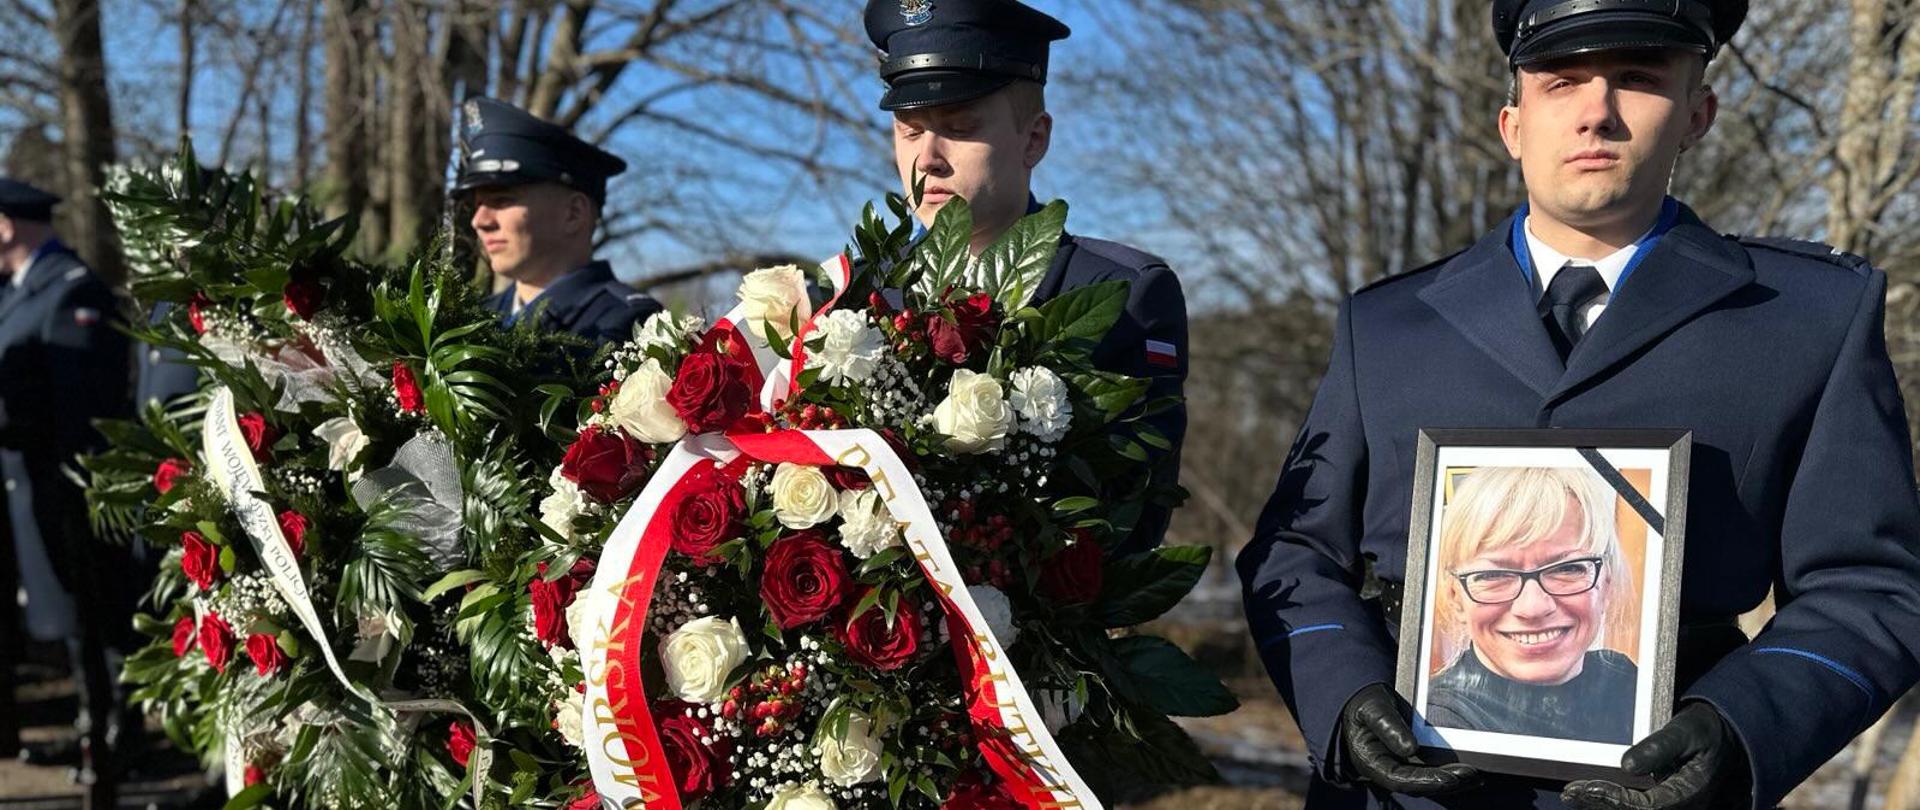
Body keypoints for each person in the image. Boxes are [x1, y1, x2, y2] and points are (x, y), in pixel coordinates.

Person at [1236, 0, 1920, 807]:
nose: (1596, 112)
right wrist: (1343, 696)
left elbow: (1872, 587)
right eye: (1561, 82)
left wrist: (1743, 726)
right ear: (1513, 124)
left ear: (1698, 113)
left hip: (1661, 790)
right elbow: (1294, 553)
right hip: (1403, 792)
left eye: (1637, 79)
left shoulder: (1806, 319)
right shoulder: (1388, 325)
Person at [863, 0, 1189, 554]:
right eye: (909, 131)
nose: (927, 158)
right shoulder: (866, 294)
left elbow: (1130, 522)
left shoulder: (1122, 295)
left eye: (959, 127)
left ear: (1034, 139)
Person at [0, 178, 138, 789]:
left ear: (5, 225)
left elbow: (84, 410)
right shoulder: (18, 292)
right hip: (25, 490)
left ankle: (107, 743)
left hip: (68, 494)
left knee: (90, 619)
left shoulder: (72, 290)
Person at [1423, 467, 1637, 745]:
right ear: (1456, 598)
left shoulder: (1629, 684)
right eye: (1493, 575)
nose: (1533, 607)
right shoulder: (1435, 721)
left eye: (1568, 569)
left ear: (1605, 584)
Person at [452, 97, 662, 344]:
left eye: (502, 200)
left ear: (573, 213)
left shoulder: (632, 328)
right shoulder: (472, 323)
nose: (479, 221)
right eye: (477, 205)